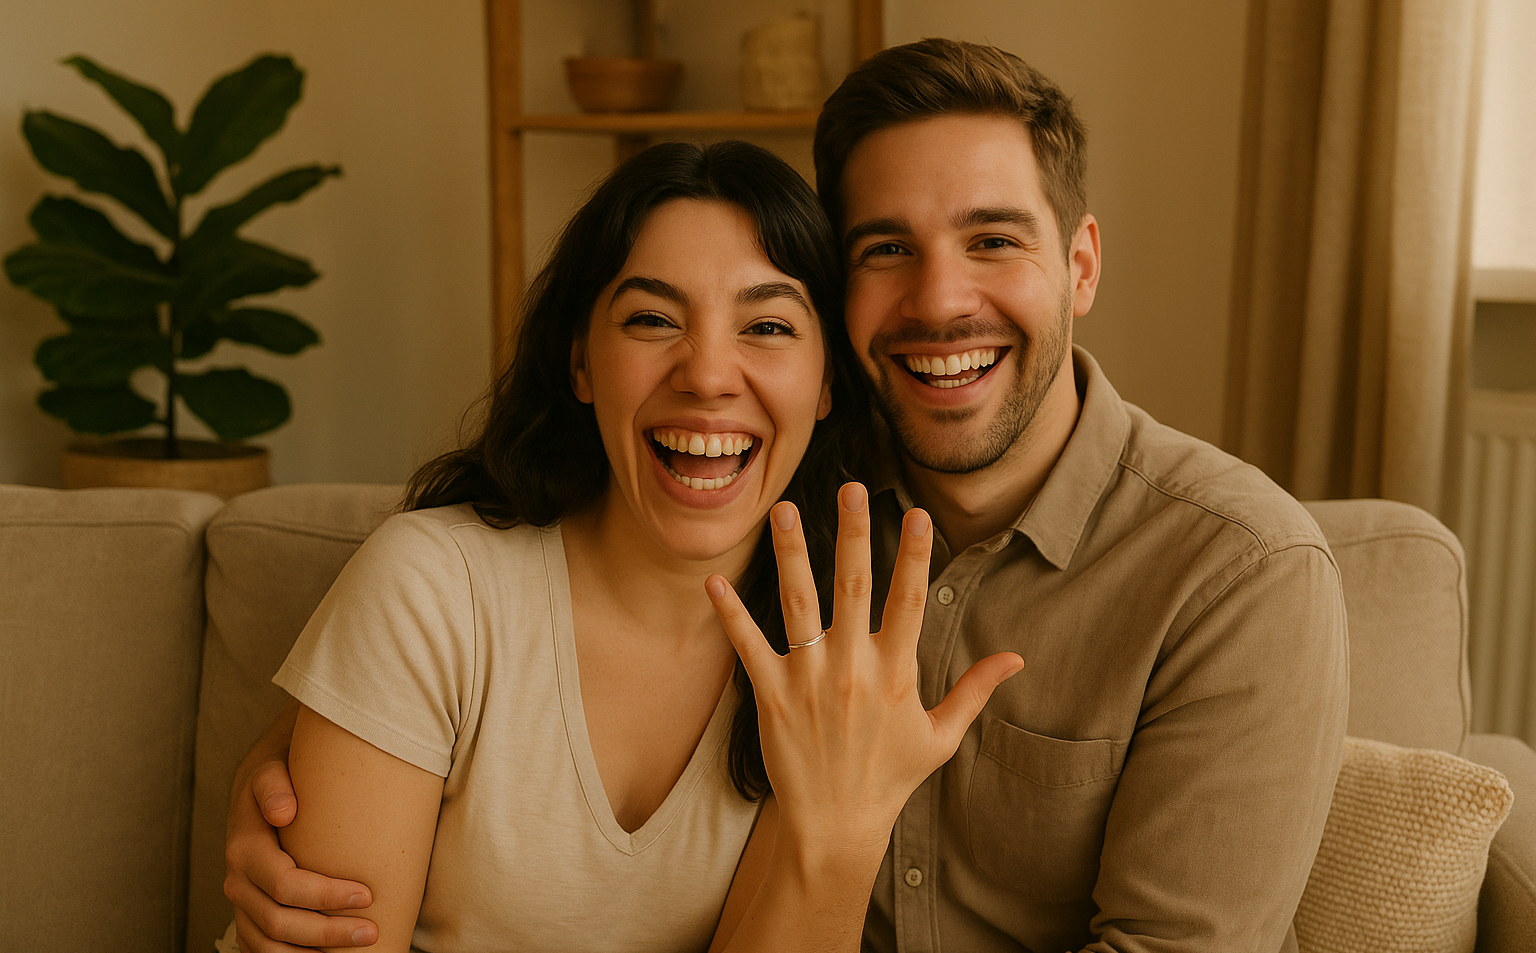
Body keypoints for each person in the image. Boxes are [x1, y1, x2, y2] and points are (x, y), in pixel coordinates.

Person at [228, 39, 1349, 953]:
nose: (940, 299)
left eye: (993, 240)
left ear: (1082, 264)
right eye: (886, 249)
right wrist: (313, 751)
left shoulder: (1235, 570)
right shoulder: (780, 507)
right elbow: (475, 631)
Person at [224, 136, 1021, 953]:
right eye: (651, 318)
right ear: (580, 361)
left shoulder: (831, 660)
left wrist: (846, 830)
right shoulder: (432, 589)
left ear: (825, 385)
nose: (707, 374)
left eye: (769, 324)